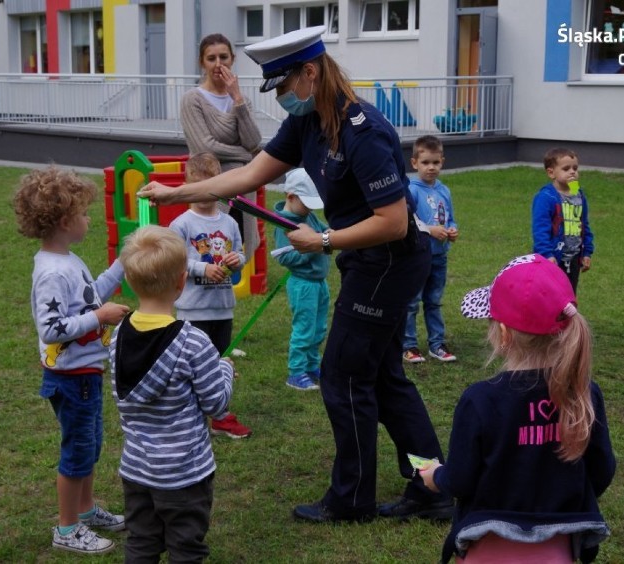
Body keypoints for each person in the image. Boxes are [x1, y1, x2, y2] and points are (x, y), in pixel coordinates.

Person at [139, 26, 451, 523]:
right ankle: (433, 485)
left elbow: (392, 222)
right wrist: (174, 193)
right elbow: (248, 174)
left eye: (283, 86)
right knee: (386, 377)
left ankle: (352, 501)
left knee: (343, 376)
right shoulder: (308, 124)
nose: (280, 97)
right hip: (368, 260)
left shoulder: (362, 130)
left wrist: (323, 240)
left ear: (310, 73)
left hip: (389, 262)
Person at [420, 254, 616, 563]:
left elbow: (459, 480)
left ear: (504, 334)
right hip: (559, 551)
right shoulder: (584, 393)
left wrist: (435, 475)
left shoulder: (480, 400)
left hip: (487, 549)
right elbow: (602, 471)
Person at [13, 166, 131, 554]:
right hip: (71, 377)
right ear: (65, 221)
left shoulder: (68, 260)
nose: (88, 218)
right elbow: (52, 328)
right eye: (83, 213)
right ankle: (66, 530)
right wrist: (99, 318)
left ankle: (85, 511)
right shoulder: (51, 271)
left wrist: (120, 266)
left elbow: (89, 296)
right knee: (78, 451)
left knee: (90, 445)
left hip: (85, 374)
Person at [111, 225, 235, 562]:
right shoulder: (194, 342)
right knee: (186, 548)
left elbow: (120, 393)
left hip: (136, 470)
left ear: (132, 282)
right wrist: (225, 370)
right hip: (185, 475)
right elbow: (217, 404)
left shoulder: (119, 333)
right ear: (182, 283)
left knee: (141, 542)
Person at [168, 153, 252, 439]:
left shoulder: (229, 223)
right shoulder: (181, 225)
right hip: (192, 311)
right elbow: (175, 263)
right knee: (192, 367)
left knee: (220, 362)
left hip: (222, 308)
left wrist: (235, 260)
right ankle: (189, 415)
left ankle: (219, 415)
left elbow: (241, 254)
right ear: (187, 185)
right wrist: (202, 268)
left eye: (212, 185)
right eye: (198, 185)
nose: (205, 193)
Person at [181, 33, 263, 261]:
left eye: (223, 57)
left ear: (232, 59)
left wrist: (237, 99)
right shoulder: (192, 99)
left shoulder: (241, 100)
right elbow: (204, 147)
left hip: (243, 186)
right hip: (210, 185)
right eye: (211, 58)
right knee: (208, 253)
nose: (218, 64)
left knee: (236, 250)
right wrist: (247, 157)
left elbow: (253, 140)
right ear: (202, 63)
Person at [402, 135, 459, 365]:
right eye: (426, 163)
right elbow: (407, 221)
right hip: (417, 257)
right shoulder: (411, 190)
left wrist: (452, 230)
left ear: (442, 161)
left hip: (439, 257)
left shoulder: (444, 191)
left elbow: (451, 219)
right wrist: (429, 230)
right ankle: (408, 346)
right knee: (411, 303)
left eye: (436, 162)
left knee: (434, 301)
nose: (431, 168)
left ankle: (437, 344)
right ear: (414, 163)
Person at [273, 168, 330, 391]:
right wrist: (313, 248)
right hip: (303, 284)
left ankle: (311, 366)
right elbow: (285, 256)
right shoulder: (285, 224)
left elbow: (323, 231)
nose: (310, 209)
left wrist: (330, 235)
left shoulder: (307, 215)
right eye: (306, 203)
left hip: (319, 282)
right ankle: (296, 372)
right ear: (291, 197)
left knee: (318, 328)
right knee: (304, 328)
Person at [532, 148, 594, 294]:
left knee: (569, 295)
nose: (572, 172)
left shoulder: (577, 193)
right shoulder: (546, 197)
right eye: (566, 168)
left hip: (573, 257)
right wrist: (547, 255)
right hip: (553, 258)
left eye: (575, 168)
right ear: (551, 173)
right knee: (550, 296)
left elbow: (584, 224)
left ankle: (568, 317)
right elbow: (540, 230)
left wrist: (587, 252)